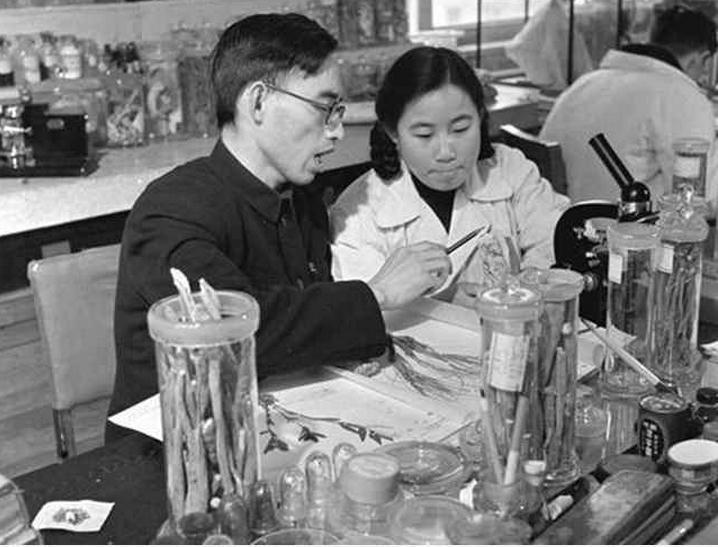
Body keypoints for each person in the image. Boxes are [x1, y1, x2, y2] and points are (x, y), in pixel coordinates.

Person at [109, 13, 451, 429]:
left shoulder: (301, 195)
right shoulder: (170, 211)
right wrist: (376, 294)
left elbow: (303, 322)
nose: (338, 131)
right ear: (257, 102)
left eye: (339, 111)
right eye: (325, 108)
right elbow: (237, 332)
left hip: (283, 418)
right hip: (177, 447)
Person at [330, 46, 569, 301]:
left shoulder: (510, 170)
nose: (446, 152)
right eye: (424, 135)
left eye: (461, 129)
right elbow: (367, 312)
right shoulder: (359, 211)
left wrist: (527, 287)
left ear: (480, 118)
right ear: (393, 132)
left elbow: (555, 244)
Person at [540, 5, 718, 204]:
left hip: (563, 223)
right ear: (701, 59)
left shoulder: (586, 83)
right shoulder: (682, 96)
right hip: (625, 229)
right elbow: (700, 199)